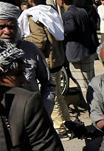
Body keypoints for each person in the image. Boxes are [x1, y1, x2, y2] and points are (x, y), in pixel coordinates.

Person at [21, 2, 68, 136]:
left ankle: (60, 127)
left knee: (51, 95)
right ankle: (67, 122)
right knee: (58, 94)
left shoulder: (34, 15)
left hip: (48, 60)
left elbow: (39, 40)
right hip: (57, 58)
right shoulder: (49, 11)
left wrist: (24, 40)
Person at [0, 3, 52, 116]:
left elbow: (49, 84)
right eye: (1, 27)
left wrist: (44, 112)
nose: (7, 31)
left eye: (11, 27)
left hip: (31, 117)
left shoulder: (30, 50)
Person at [62, 0, 98, 103]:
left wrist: (59, 29)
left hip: (76, 54)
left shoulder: (68, 14)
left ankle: (93, 108)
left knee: (84, 85)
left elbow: (71, 28)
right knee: (90, 81)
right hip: (87, 51)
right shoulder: (82, 11)